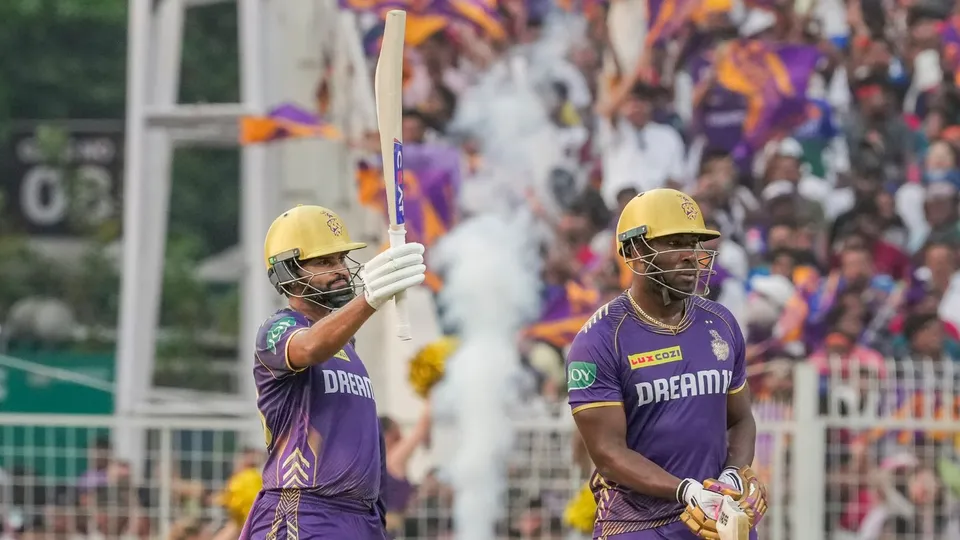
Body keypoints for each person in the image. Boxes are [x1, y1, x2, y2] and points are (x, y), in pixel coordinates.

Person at [565, 188, 767, 539]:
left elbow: (741, 419)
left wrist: (732, 474)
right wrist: (686, 491)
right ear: (635, 251)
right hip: (636, 526)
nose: (691, 256)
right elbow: (608, 452)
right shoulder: (599, 339)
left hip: (715, 521)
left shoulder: (720, 322)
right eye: (675, 242)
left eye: (695, 243)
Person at [240, 204, 426, 540]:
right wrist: (371, 297)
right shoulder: (279, 329)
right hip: (307, 511)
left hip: (360, 518)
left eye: (341, 259)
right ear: (288, 272)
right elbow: (310, 347)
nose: (340, 270)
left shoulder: (348, 347)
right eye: (325, 262)